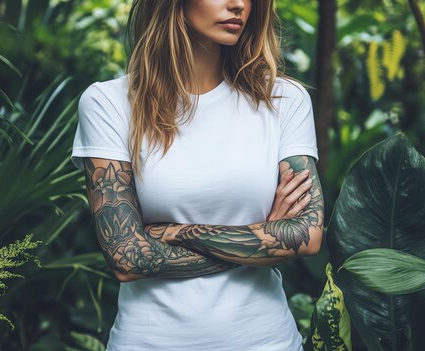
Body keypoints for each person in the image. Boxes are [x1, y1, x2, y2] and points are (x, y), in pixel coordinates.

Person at [70, 0, 324, 350]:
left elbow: (306, 235)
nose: (239, 5)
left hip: (266, 341)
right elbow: (127, 258)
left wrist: (171, 233)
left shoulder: (283, 99)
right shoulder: (109, 103)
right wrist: (265, 238)